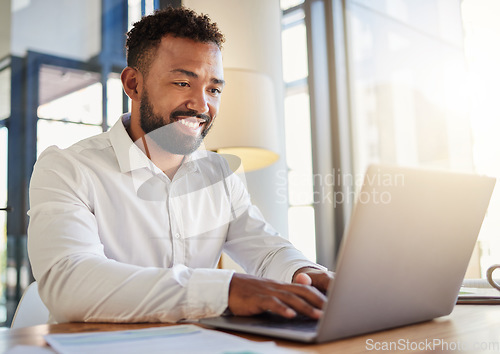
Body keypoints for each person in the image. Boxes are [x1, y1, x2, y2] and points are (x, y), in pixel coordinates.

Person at [27, 6, 333, 324]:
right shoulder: (65, 168)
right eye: (183, 84)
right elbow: (70, 283)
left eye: (213, 89)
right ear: (133, 84)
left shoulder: (220, 174)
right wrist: (224, 291)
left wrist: (306, 273)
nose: (202, 105)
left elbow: (266, 249)